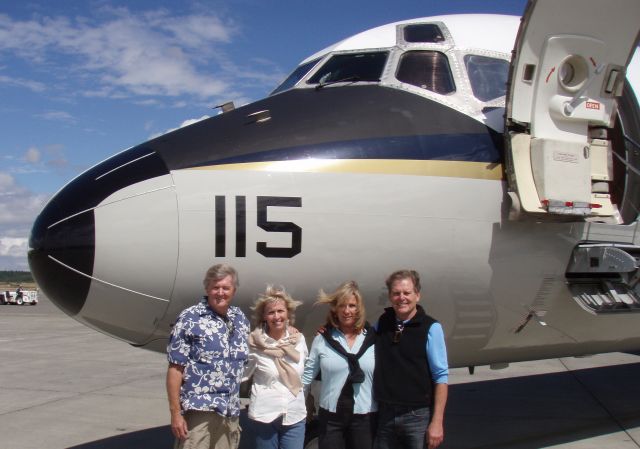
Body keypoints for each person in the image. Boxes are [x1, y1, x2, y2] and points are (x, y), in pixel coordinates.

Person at [166, 263, 250, 449]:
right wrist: (175, 414)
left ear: (233, 290)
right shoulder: (190, 318)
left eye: (225, 288)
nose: (220, 292)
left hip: (230, 411)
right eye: (215, 287)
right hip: (199, 410)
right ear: (207, 289)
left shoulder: (240, 319)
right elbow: (175, 368)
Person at [373, 270, 449, 449]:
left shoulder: (431, 327)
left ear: (417, 295)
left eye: (407, 293)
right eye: (396, 293)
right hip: (386, 414)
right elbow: (359, 337)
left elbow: (441, 377)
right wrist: (330, 329)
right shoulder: (383, 323)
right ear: (390, 297)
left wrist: (437, 422)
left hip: (417, 416)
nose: (402, 298)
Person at [302, 281, 377, 449]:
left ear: (359, 308)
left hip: (364, 417)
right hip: (332, 419)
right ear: (335, 308)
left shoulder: (373, 339)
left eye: (352, 305)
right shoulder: (323, 339)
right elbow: (307, 377)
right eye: (342, 305)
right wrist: (298, 407)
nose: (347, 311)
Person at [244, 285, 308, 449]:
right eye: (271, 312)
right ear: (264, 316)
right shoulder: (254, 344)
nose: (277, 316)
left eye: (280, 311)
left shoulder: (298, 341)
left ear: (288, 314)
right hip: (265, 415)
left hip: (294, 415)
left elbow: (305, 370)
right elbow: (242, 374)